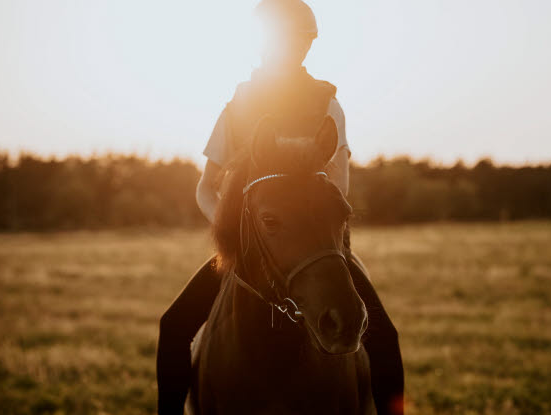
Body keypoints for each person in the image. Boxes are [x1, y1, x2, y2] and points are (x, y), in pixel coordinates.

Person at [156, 1, 404, 414]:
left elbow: (339, 180)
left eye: (300, 41)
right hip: (254, 244)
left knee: (385, 337)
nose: (291, 48)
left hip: (317, 244)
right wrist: (234, 230)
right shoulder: (237, 106)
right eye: (283, 40)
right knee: (174, 326)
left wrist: (323, 220)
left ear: (308, 45)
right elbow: (206, 186)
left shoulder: (328, 104)